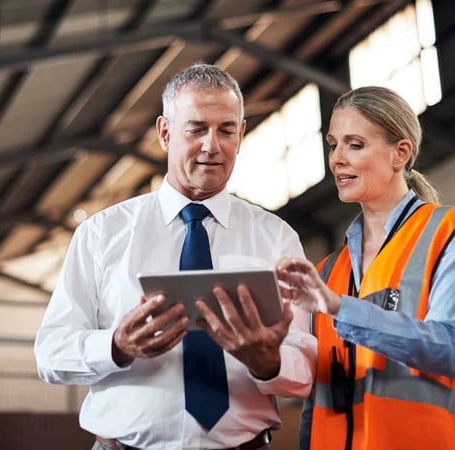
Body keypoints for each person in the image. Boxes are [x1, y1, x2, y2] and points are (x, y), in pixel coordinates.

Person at [34, 63, 316, 450]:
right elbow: (51, 353)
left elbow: (305, 363)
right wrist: (116, 345)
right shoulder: (102, 235)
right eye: (196, 128)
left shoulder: (276, 239)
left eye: (226, 130)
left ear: (242, 133)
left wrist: (268, 362)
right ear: (165, 133)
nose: (212, 145)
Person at [274, 86, 455, 450]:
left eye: (354, 144)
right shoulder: (325, 274)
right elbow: (316, 401)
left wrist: (339, 308)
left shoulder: (453, 234)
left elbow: (451, 349)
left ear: (400, 153)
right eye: (333, 144)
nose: (337, 158)